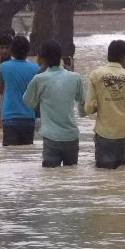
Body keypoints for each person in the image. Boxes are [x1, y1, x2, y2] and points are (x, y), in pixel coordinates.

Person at [23, 39, 85, 167]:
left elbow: (28, 102)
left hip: (51, 138)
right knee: (71, 175)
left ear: (42, 58)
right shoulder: (75, 77)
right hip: (71, 136)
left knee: (50, 179)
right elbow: (83, 101)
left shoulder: (39, 79)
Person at [85, 39, 125, 168]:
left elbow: (88, 108)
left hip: (104, 134)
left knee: (103, 176)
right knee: (124, 176)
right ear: (124, 56)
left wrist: (101, 106)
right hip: (124, 133)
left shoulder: (95, 75)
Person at [0, 35, 40, 146]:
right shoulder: (35, 69)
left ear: (11, 51)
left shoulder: (3, 67)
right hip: (28, 118)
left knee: (10, 156)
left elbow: (0, 90)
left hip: (9, 118)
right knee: (26, 154)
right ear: (28, 51)